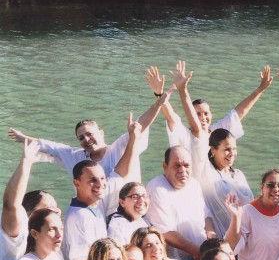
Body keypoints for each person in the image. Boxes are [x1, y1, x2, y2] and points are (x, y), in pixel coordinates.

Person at [7, 69, 170, 181]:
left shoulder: (118, 148)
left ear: (101, 133)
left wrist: (158, 98)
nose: (86, 139)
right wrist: (23, 138)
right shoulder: (77, 157)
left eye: (90, 134)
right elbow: (48, 146)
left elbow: (140, 124)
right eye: (81, 138)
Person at [162, 60, 273, 149]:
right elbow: (171, 118)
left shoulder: (217, 131)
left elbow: (239, 112)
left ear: (211, 114)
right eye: (198, 114)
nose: (203, 118)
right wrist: (160, 95)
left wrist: (260, 89)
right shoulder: (184, 135)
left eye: (206, 113)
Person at [145, 146, 215, 260]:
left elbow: (206, 215)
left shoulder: (194, 185)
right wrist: (198, 252)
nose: (182, 170)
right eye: (177, 166)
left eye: (186, 165)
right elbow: (165, 232)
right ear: (165, 166)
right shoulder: (156, 188)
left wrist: (211, 236)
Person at [1, 139, 60, 260]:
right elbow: (11, 205)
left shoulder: (51, 243)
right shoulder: (16, 237)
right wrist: (26, 162)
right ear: (28, 214)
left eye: (56, 210)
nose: (55, 214)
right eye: (49, 209)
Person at [189, 127, 254, 237]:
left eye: (234, 149)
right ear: (213, 150)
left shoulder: (238, 175)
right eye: (227, 149)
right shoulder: (206, 173)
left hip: (247, 239)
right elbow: (197, 136)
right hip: (221, 240)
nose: (232, 153)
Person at [62, 160, 109, 260]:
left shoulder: (93, 209)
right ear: (77, 183)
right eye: (93, 180)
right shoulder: (79, 216)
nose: (100, 184)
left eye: (102, 178)